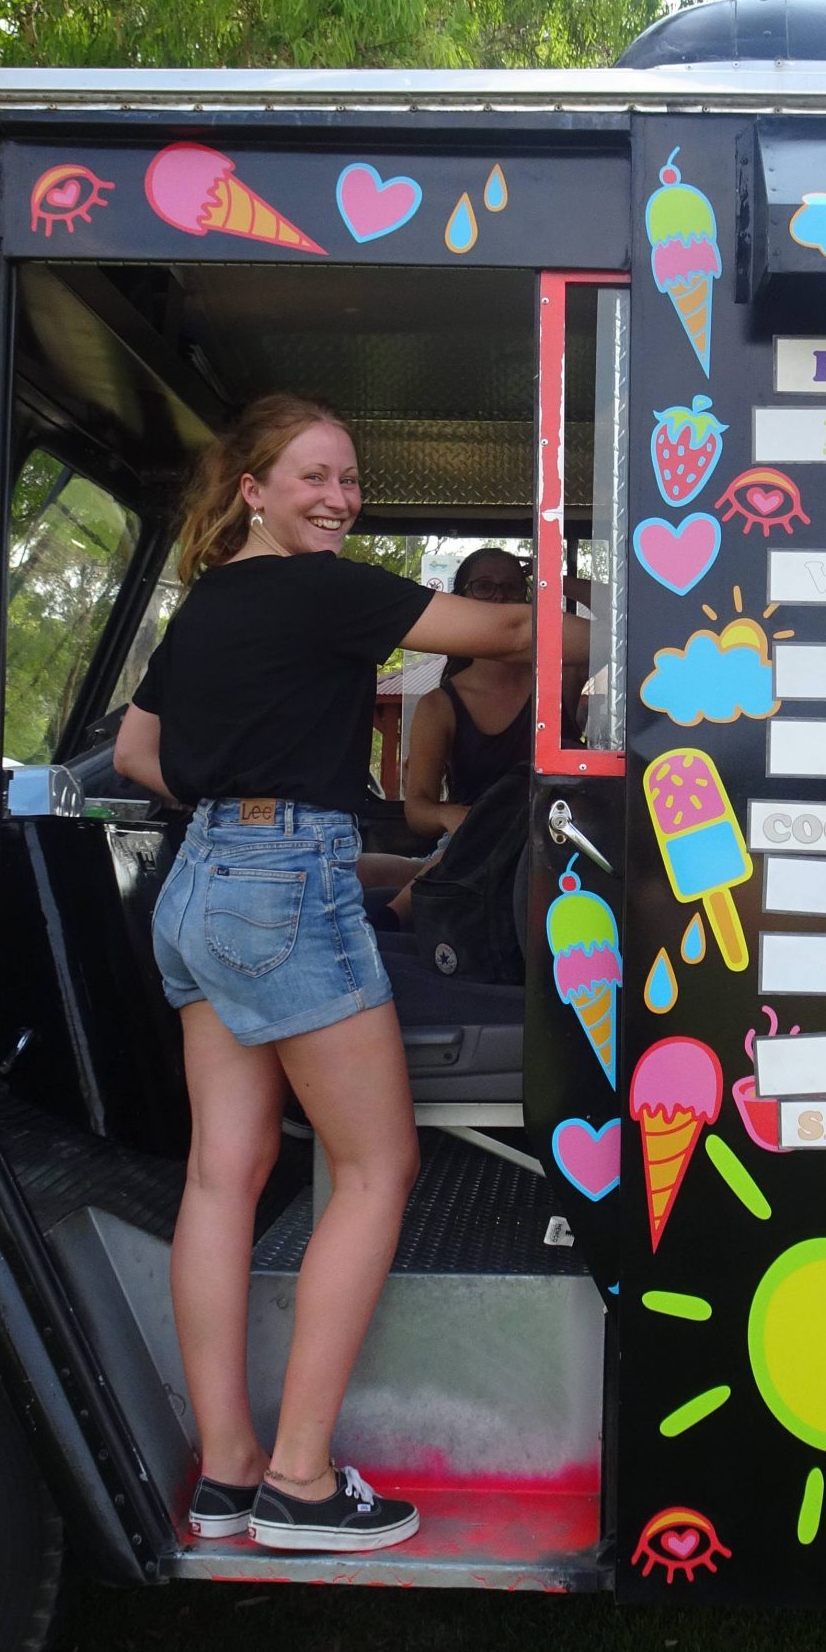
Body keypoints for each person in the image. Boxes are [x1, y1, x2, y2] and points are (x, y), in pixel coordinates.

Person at [112, 395, 584, 1553]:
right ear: (253, 491)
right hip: (281, 886)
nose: (339, 498)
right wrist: (620, 608)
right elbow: (508, 632)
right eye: (314, 477)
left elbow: (134, 751)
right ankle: (303, 1482)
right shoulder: (322, 590)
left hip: (197, 883)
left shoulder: (206, 604)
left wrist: (238, 807)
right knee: (378, 1166)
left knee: (223, 1174)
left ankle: (227, 1472)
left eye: (350, 479)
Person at [400, 545, 532, 844]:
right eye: (483, 587)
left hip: (555, 845)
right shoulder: (439, 706)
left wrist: (554, 578)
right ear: (461, 600)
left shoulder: (561, 679)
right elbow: (417, 810)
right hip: (474, 849)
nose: (499, 597)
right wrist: (451, 816)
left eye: (511, 587)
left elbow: (620, 628)